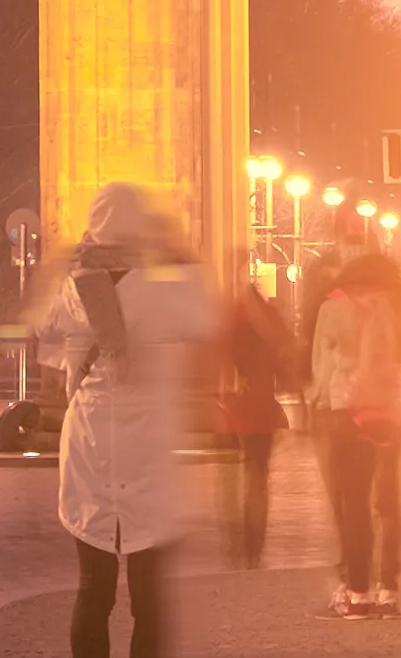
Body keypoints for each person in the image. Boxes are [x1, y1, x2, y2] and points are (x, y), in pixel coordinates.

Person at [30, 186, 205, 658]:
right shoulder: (163, 288)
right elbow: (204, 313)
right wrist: (177, 247)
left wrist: (68, 261)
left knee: (93, 590)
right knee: (149, 600)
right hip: (149, 456)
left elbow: (41, 325)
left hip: (91, 451)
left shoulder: (73, 289)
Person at [303, 247, 401, 613]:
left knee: (354, 504)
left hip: (346, 411)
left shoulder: (333, 306)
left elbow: (321, 363)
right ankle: (390, 590)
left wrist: (320, 399)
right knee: (390, 500)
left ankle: (357, 593)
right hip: (393, 410)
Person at [208, 265, 294, 569]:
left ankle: (238, 543)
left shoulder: (227, 319)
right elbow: (285, 353)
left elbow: (214, 360)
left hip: (233, 406)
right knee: (256, 478)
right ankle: (252, 546)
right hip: (258, 407)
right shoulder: (266, 320)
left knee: (234, 478)